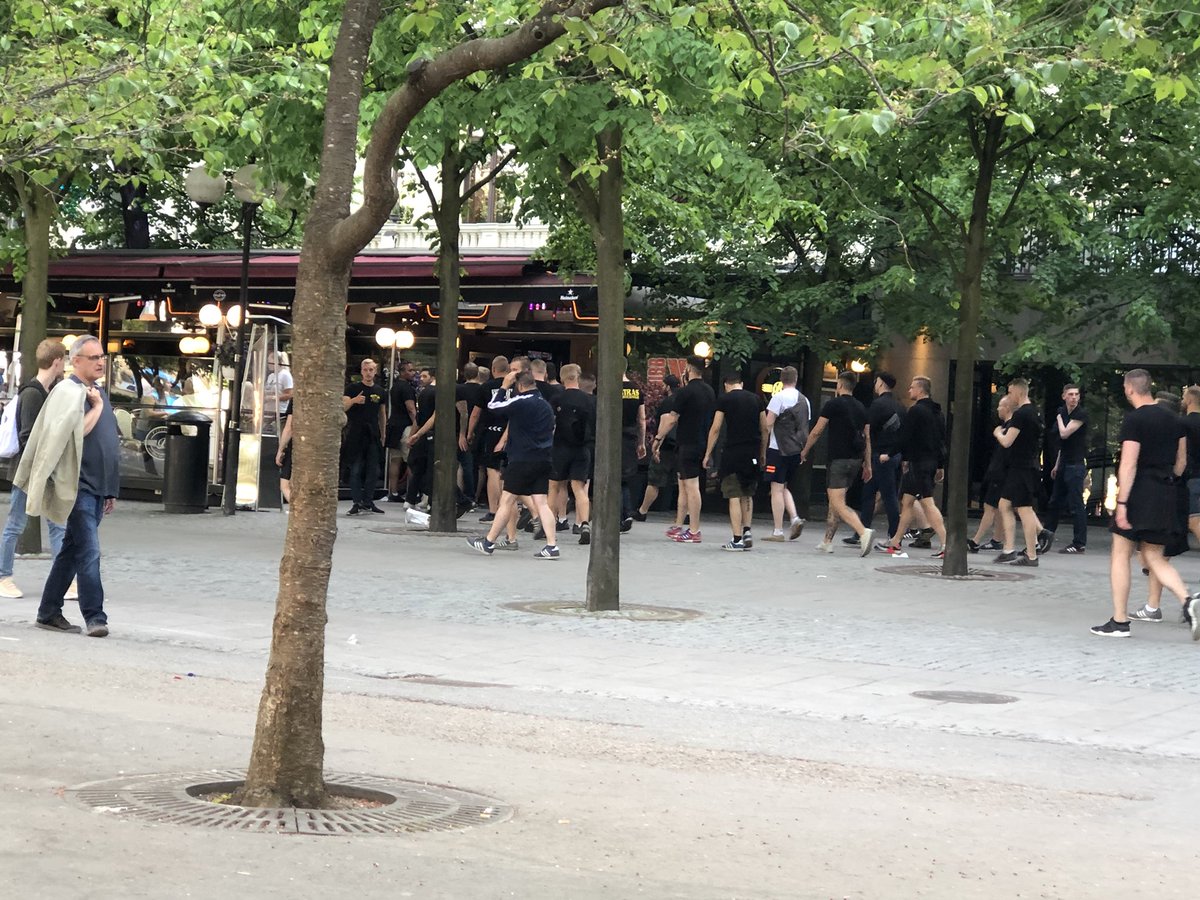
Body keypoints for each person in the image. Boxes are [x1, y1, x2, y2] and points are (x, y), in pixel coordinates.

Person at [17, 335, 120, 637]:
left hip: (97, 487)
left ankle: (48, 612)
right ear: (76, 361)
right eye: (94, 357)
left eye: (102, 357)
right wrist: (97, 408)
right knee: (89, 551)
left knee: (71, 553)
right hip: (77, 486)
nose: (100, 362)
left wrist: (111, 489)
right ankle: (95, 616)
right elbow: (70, 434)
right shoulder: (68, 391)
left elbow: (107, 443)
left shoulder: (97, 392)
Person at [1092, 369, 1200, 639]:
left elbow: (1129, 463)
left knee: (1120, 553)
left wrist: (1122, 502)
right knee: (1154, 555)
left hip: (1140, 490)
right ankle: (1188, 601)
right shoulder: (1176, 420)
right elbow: (1181, 463)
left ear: (1129, 388)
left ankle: (1119, 621)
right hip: (1166, 490)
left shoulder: (1135, 419)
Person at [0, 339, 69, 600]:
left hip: (42, 469)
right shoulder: (33, 393)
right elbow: (28, 437)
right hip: (29, 470)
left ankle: (62, 580)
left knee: (57, 524)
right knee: (16, 523)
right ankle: (3, 576)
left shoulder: (44, 391)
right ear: (57, 361)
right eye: (64, 360)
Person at [467, 366, 560, 559]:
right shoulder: (545, 404)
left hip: (522, 458)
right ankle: (552, 545)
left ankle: (489, 542)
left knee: (507, 500)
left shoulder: (521, 401)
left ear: (520, 386)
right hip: (543, 458)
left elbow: (493, 406)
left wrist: (504, 386)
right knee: (542, 502)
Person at [799, 371, 874, 556]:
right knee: (836, 501)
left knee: (838, 503)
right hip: (855, 460)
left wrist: (805, 450)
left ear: (840, 385)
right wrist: (868, 464)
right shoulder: (862, 407)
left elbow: (817, 431)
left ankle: (863, 531)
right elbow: (867, 438)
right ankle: (827, 541)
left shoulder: (833, 404)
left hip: (838, 459)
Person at [877, 376, 947, 558]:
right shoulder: (938, 413)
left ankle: (946, 544)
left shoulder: (916, 411)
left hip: (919, 464)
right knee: (907, 502)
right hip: (929, 462)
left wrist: (889, 454)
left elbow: (905, 436)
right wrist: (940, 465)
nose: (909, 390)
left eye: (911, 387)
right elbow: (941, 440)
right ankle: (895, 542)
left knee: (928, 503)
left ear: (920, 390)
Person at [656, 357, 716, 544]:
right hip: (701, 441)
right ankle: (679, 524)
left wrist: (659, 438)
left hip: (687, 442)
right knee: (683, 484)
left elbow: (672, 419)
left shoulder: (685, 392)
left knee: (691, 485)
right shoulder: (709, 391)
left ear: (689, 369)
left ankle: (694, 529)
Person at [992, 378, 1051, 565]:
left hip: (1022, 468)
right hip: (1025, 466)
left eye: (1010, 393)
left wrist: (998, 433)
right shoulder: (1035, 412)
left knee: (1025, 510)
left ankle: (1031, 555)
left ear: (1018, 392)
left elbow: (1007, 441)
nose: (1009, 396)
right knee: (1004, 504)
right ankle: (1009, 548)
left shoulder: (1021, 414)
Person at [703, 371, 763, 551]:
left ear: (726, 385)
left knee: (734, 494)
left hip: (733, 452)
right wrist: (762, 452)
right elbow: (765, 428)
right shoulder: (756, 399)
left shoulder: (725, 400)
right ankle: (747, 531)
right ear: (741, 383)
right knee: (747, 492)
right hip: (752, 452)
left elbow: (716, 428)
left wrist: (708, 453)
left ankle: (736, 539)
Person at [759, 366, 808, 543]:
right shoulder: (804, 400)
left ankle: (778, 531)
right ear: (796, 379)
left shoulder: (778, 397)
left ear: (781, 379)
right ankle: (794, 518)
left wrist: (763, 447)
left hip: (777, 449)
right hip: (795, 450)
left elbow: (768, 424)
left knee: (776, 488)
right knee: (784, 486)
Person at [548, 364, 595, 544]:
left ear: (562, 378)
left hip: (560, 447)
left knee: (554, 486)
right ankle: (584, 523)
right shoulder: (589, 400)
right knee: (579, 488)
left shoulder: (557, 398)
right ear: (578, 377)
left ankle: (549, 524)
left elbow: (551, 425)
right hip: (582, 448)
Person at [856, 372, 904, 543]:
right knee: (877, 493)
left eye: (877, 381)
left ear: (882, 383)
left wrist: (866, 457)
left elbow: (869, 431)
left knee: (884, 495)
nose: (875, 384)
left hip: (879, 454)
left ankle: (893, 533)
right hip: (894, 454)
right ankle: (862, 531)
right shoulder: (900, 406)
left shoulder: (877, 405)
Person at [1044, 384, 1089, 554]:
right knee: (1055, 501)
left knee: (1076, 504)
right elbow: (1062, 444)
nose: (1074, 397)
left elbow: (1064, 434)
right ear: (1064, 396)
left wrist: (1058, 419)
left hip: (1075, 464)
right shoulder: (1062, 412)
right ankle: (1045, 537)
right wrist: (1057, 464)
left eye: (1076, 394)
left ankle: (1079, 543)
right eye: (1070, 394)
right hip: (1064, 462)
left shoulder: (1080, 414)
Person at [342, 357, 387, 515]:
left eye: (371, 370)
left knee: (373, 470)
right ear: (361, 371)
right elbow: (343, 406)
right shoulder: (352, 388)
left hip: (372, 433)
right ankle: (356, 501)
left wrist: (383, 434)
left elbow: (382, 414)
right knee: (355, 468)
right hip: (356, 432)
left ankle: (368, 501)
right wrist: (354, 401)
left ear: (375, 371)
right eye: (366, 370)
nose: (368, 373)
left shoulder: (380, 391)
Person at [968, 394, 1012, 553]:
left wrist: (998, 433)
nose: (998, 409)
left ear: (1007, 408)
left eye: (1000, 406)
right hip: (1002, 471)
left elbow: (1006, 446)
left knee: (990, 506)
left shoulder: (1007, 428)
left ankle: (976, 540)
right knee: (1001, 506)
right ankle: (997, 539)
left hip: (1001, 472)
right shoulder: (1009, 426)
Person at [468, 355, 510, 523]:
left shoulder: (486, 387)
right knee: (507, 472)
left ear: (493, 369)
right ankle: (508, 508)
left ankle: (494, 510)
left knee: (492, 471)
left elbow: (475, 413)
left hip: (491, 431)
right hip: (512, 431)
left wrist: (470, 433)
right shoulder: (516, 386)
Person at [638, 374, 681, 521]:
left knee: (654, 480)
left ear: (667, 386)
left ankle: (642, 511)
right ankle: (685, 514)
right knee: (683, 482)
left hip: (666, 445)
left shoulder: (668, 402)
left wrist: (657, 443)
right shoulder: (683, 400)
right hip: (681, 445)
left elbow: (665, 422)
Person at [619, 360, 647, 531]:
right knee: (624, 477)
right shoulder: (636, 390)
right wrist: (641, 442)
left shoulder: (609, 388)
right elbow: (642, 419)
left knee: (614, 478)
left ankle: (621, 515)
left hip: (613, 436)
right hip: (630, 436)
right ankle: (627, 512)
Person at [385, 359, 417, 502]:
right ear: (402, 372)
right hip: (405, 427)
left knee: (395, 460)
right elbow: (411, 409)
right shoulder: (407, 388)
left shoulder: (395, 387)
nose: (413, 373)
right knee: (411, 461)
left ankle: (393, 491)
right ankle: (412, 493)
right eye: (410, 370)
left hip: (394, 426)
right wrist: (417, 424)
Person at [263, 351, 293, 436]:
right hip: (269, 412)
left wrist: (274, 398)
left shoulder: (285, 375)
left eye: (270, 362)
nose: (268, 365)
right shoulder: (271, 376)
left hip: (280, 412)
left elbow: (290, 394)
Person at [274, 397, 294, 505]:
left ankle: (299, 509)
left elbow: (289, 427)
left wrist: (280, 449)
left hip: (296, 446)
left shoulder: (296, 399)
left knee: (285, 484)